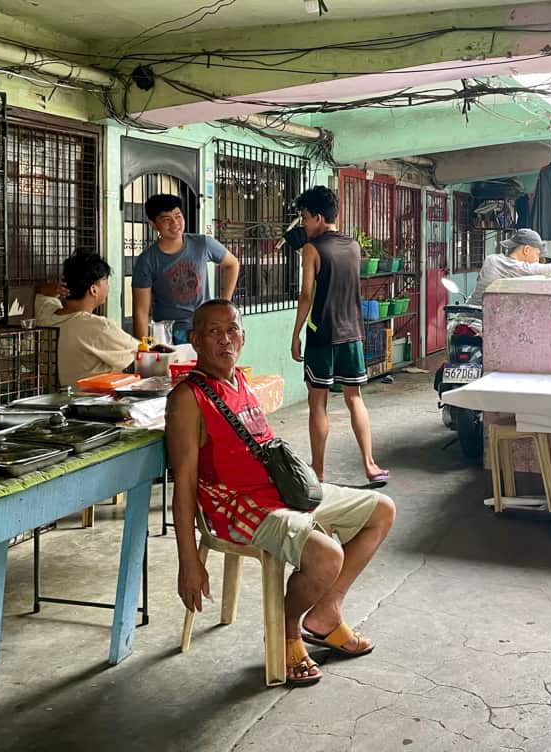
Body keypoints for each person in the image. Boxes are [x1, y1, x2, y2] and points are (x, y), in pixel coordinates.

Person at [167, 300, 395, 686]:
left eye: (232, 330)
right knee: (327, 556)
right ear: (195, 341)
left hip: (279, 493)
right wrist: (188, 560)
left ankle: (326, 614)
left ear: (244, 335)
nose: (226, 340)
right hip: (238, 507)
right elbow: (185, 483)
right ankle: (286, 633)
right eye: (213, 332)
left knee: (381, 510)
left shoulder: (240, 380)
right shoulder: (188, 399)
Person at [289, 186, 387, 486]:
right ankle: (370, 465)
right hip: (353, 332)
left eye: (305, 218)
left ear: (318, 217)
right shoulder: (354, 246)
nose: (304, 224)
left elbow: (307, 295)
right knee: (354, 397)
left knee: (317, 401)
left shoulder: (312, 250)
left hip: (323, 333)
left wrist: (295, 335)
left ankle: (318, 472)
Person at [132, 193, 239, 345]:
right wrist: (143, 349)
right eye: (166, 219)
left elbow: (233, 264)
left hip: (206, 329)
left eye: (178, 216)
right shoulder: (147, 260)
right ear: (153, 224)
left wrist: (224, 303)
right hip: (171, 336)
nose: (175, 223)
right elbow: (141, 312)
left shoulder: (202, 244)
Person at [35, 249, 140, 387]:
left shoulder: (46, 315)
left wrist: (55, 288)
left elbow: (42, 293)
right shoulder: (98, 327)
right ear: (93, 290)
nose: (108, 288)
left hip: (54, 400)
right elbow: (142, 352)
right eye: (106, 282)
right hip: (91, 402)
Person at [470, 228, 551, 305]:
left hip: (469, 312)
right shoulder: (517, 267)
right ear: (526, 250)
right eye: (537, 254)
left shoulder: (491, 259)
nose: (537, 259)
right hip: (480, 322)